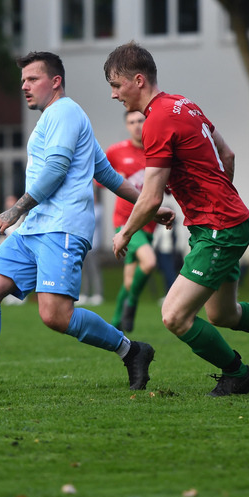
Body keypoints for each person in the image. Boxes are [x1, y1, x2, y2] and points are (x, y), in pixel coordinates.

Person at [0, 51, 171, 394]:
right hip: (35, 228)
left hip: (61, 227)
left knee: (55, 316)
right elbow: (105, 173)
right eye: (23, 81)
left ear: (55, 81)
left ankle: (132, 351)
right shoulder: (56, 118)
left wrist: (16, 209)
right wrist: (150, 205)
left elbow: (57, 168)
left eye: (32, 79)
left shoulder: (65, 112)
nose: (25, 87)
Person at [104, 42, 249, 396]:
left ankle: (237, 373)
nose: (114, 95)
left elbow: (151, 195)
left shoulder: (157, 121)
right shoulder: (185, 105)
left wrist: (124, 233)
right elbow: (228, 152)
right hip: (225, 220)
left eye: (116, 86)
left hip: (219, 227)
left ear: (138, 80)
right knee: (224, 314)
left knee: (174, 315)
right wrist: (217, 195)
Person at [107, 109, 157, 331]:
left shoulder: (158, 150)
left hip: (150, 224)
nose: (137, 125)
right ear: (127, 126)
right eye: (132, 121)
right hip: (125, 222)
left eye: (141, 120)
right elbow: (98, 180)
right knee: (150, 262)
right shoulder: (116, 152)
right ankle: (133, 306)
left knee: (129, 282)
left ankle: (116, 325)